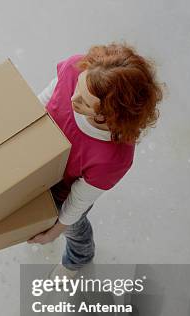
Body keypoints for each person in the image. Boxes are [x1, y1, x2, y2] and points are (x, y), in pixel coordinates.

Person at [28, 43, 164, 275]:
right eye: (79, 86)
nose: (73, 98)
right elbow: (44, 102)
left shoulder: (113, 157)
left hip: (63, 193)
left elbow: (77, 202)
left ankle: (78, 260)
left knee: (75, 231)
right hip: (38, 165)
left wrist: (56, 230)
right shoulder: (74, 69)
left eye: (85, 102)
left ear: (109, 115)